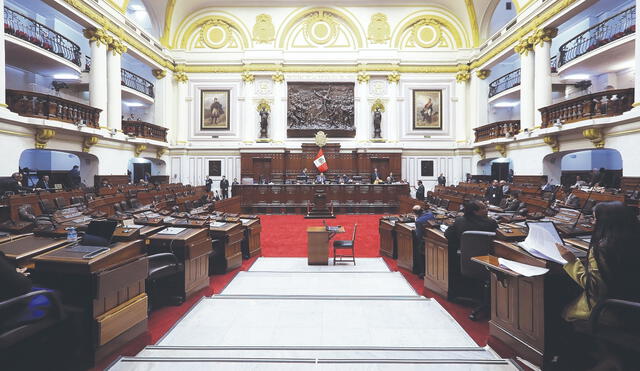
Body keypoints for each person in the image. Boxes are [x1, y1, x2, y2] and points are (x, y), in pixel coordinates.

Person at [554, 202, 640, 368]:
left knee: (561, 309)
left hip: (613, 311)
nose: (592, 223)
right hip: (633, 305)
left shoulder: (603, 248)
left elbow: (594, 288)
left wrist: (572, 262)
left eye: (594, 219)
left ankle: (595, 359)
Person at [444, 201, 498, 297]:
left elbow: (448, 235)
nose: (487, 210)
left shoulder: (459, 221)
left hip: (464, 259)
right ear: (475, 211)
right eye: (484, 208)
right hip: (486, 261)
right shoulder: (491, 223)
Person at [413, 205, 435, 277]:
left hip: (424, 241)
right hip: (433, 237)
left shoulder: (418, 221)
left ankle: (421, 271)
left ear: (415, 213)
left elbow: (418, 235)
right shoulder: (430, 214)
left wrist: (416, 220)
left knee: (417, 248)